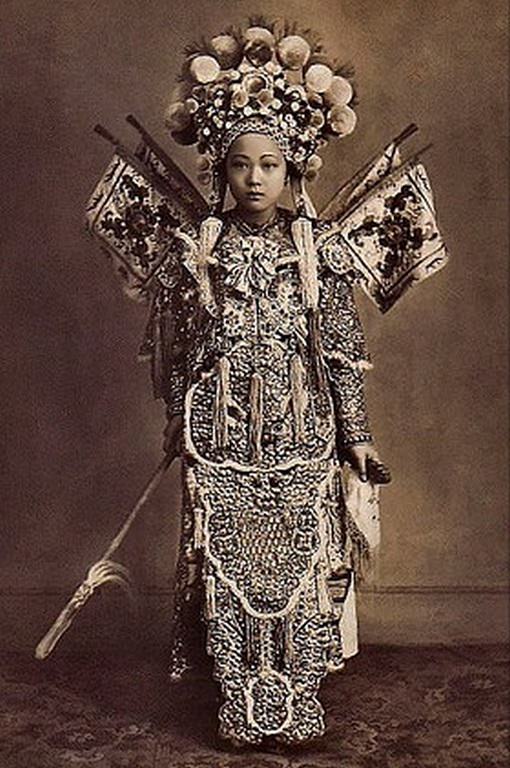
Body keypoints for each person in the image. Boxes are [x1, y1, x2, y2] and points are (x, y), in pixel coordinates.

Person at [87, 18, 447, 747]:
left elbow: (340, 348)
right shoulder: (200, 250)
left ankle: (297, 697)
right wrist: (177, 428)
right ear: (220, 166)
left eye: (271, 165)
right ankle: (239, 699)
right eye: (241, 164)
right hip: (219, 434)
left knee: (299, 561)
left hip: (301, 427)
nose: (255, 178)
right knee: (226, 564)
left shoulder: (318, 251)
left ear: (294, 170)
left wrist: (357, 437)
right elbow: (183, 349)